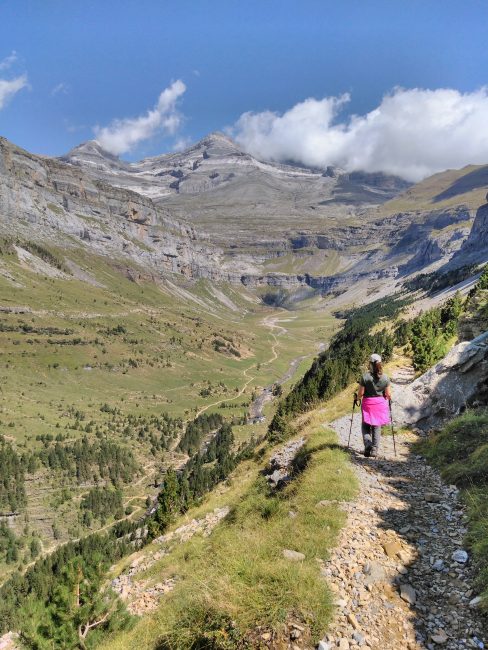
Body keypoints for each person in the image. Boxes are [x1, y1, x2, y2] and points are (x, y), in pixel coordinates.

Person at [356, 353, 391, 457]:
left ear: (370, 363)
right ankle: (374, 450)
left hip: (368, 403)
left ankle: (368, 444)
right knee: (376, 425)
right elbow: (388, 394)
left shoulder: (365, 377)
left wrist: (356, 398)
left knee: (365, 425)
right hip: (380, 404)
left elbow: (361, 393)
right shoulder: (385, 378)